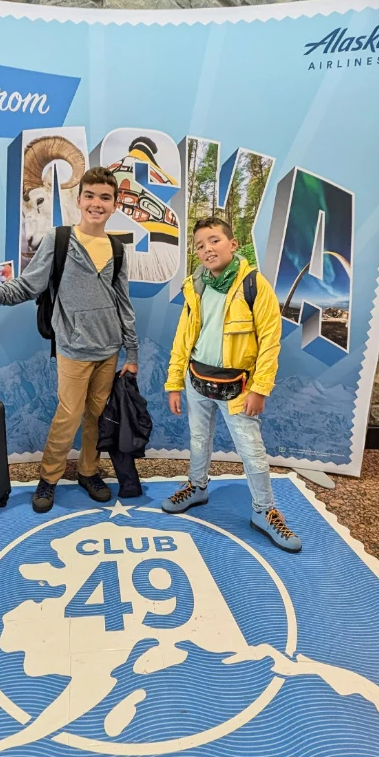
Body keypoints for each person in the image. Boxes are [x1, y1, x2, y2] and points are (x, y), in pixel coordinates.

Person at [0, 166, 137, 513]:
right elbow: (28, 285)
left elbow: (124, 303)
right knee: (68, 415)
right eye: (90, 195)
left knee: (96, 416)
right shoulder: (60, 240)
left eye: (105, 197)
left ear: (115, 204)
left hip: (109, 349)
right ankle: (49, 478)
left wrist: (132, 350)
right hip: (73, 348)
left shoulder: (116, 249)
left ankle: (88, 471)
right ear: (79, 199)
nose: (96, 203)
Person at [161, 216, 301, 553]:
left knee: (251, 452)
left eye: (214, 240)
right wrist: (174, 381)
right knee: (198, 440)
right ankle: (197, 487)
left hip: (238, 386)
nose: (207, 249)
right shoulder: (196, 285)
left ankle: (263, 511)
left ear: (233, 245)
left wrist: (260, 388)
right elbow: (184, 336)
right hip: (197, 380)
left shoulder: (254, 285)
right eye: (200, 245)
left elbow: (270, 339)